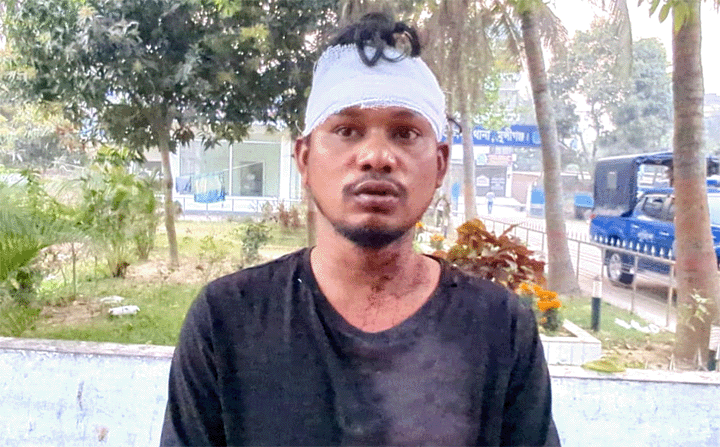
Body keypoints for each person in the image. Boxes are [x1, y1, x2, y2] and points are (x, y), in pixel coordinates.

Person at [160, 12, 560, 447]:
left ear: (440, 164)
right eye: (347, 130)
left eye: (405, 133)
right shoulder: (227, 321)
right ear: (304, 159)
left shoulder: (500, 328)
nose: (376, 156)